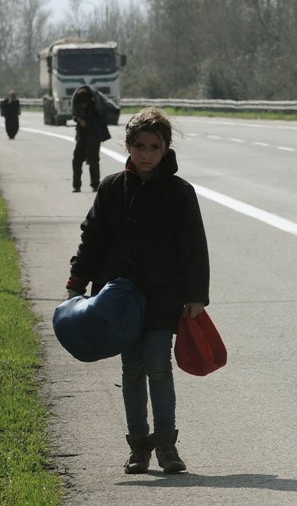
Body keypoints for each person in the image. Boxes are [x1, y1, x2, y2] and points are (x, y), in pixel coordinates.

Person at [65, 107, 210, 475]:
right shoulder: (113, 188)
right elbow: (92, 238)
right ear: (127, 146)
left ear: (166, 149)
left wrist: (195, 296)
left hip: (164, 296)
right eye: (139, 146)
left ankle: (167, 447)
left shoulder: (180, 193)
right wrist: (77, 282)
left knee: (159, 366)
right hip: (119, 299)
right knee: (131, 370)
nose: (146, 153)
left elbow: (193, 246)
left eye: (154, 147)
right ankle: (138, 447)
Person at [71, 85, 110, 192]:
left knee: (93, 161)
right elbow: (75, 115)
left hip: (94, 135)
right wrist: (79, 119)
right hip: (82, 136)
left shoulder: (96, 107)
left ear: (88, 101)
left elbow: (99, 121)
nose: (83, 106)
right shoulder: (78, 105)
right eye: (81, 104)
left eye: (84, 103)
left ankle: (95, 185)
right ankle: (76, 185)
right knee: (77, 160)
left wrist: (87, 122)